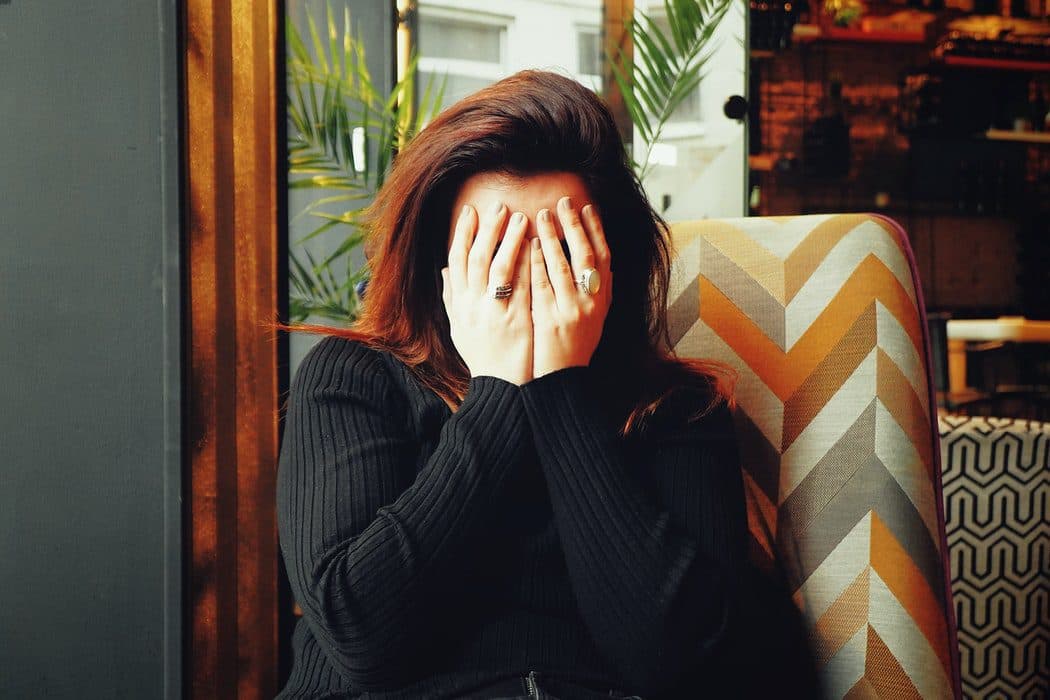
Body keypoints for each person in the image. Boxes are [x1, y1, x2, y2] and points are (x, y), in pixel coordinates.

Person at [275, 70, 818, 699]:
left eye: (560, 250)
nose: (527, 277)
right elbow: (361, 639)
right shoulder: (353, 380)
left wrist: (558, 386)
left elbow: (676, 662)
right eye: (493, 250)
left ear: (609, 261)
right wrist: (500, 386)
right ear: (440, 263)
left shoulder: (676, 411)